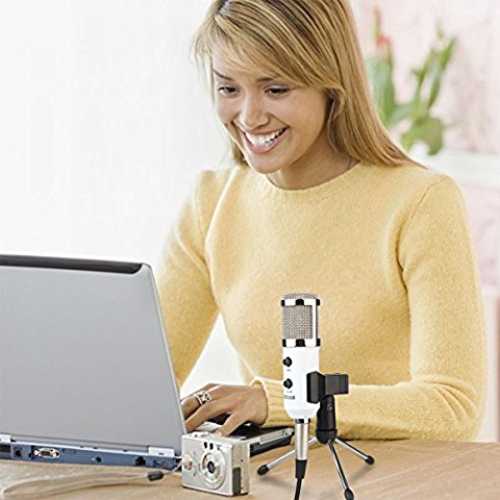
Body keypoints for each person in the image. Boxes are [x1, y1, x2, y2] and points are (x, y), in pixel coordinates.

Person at [156, 0, 486, 441]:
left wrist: (280, 402)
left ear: (331, 85)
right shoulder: (213, 202)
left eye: (276, 89)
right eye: (229, 88)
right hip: (273, 474)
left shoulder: (420, 202)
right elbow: (143, 381)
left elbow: (453, 407)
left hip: (396, 475)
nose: (249, 116)